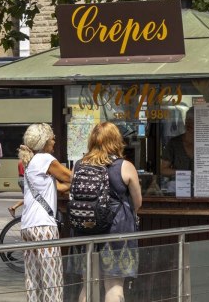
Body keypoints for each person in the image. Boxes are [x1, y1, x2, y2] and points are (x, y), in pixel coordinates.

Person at [72, 122, 142, 302]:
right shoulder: (124, 166)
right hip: (117, 232)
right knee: (114, 285)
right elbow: (138, 202)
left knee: (87, 283)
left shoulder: (79, 165)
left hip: (85, 230)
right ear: (116, 140)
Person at [16, 123, 72, 302]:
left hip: (27, 227)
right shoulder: (45, 159)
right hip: (44, 226)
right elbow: (70, 177)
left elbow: (59, 186)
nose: (54, 142)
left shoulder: (31, 163)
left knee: (33, 280)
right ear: (44, 142)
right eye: (52, 138)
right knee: (51, 280)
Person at [160, 108, 194, 176]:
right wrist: (184, 173)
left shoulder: (206, 144)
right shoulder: (174, 143)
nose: (189, 123)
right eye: (188, 120)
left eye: (193, 121)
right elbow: (163, 169)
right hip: (179, 185)